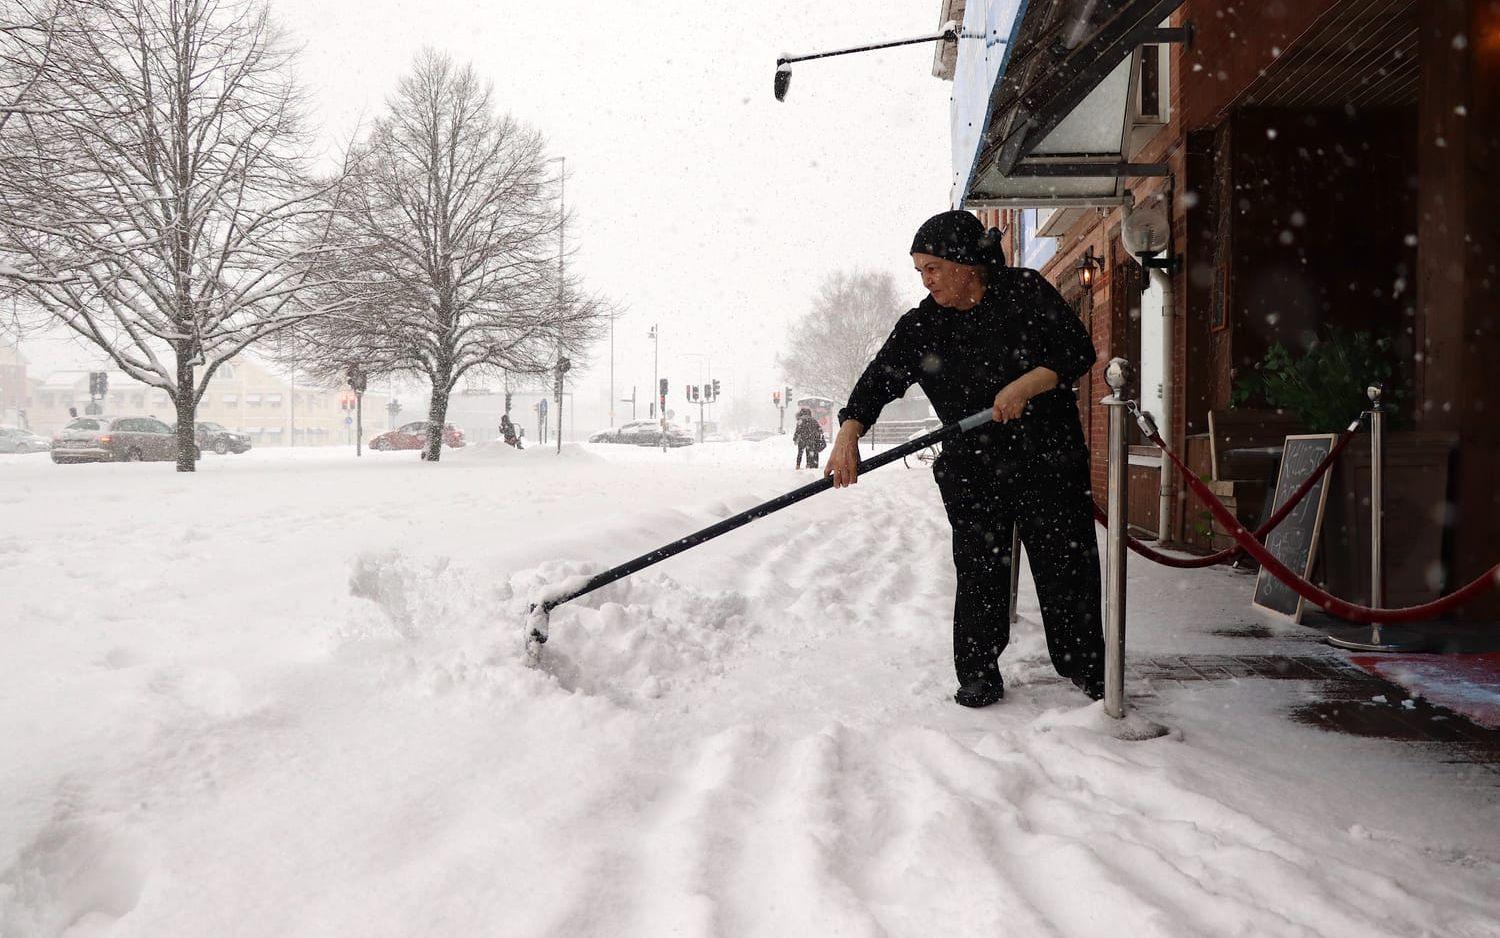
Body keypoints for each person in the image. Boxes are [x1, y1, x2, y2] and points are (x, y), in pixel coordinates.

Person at [824, 210, 1104, 708]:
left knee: (1065, 564)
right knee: (979, 569)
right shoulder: (922, 325)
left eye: (932, 267)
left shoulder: (1023, 292)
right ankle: (978, 671)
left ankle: (1084, 664)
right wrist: (850, 430)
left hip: (1048, 455)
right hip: (974, 464)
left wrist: (1025, 385)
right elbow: (879, 378)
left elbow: (1076, 350)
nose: (926, 280)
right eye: (920, 271)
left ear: (965, 263)